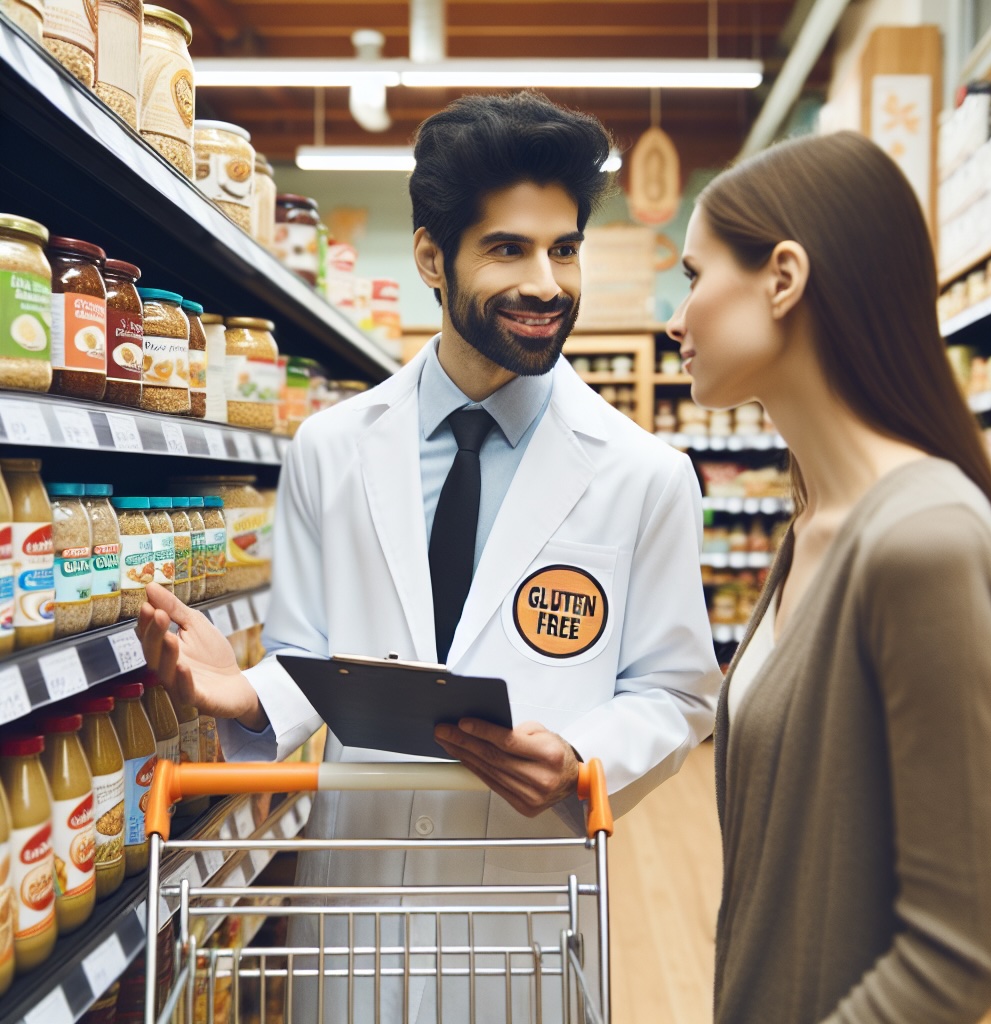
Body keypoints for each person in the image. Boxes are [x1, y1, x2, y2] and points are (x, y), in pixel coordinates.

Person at [139, 91, 720, 1021]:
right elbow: (315, 652)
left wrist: (580, 756)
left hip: (530, 925)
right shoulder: (333, 447)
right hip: (355, 901)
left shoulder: (644, 474)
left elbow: (679, 693)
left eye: (564, 248)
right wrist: (250, 692)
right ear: (429, 259)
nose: (547, 283)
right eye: (507, 249)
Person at [666, 128, 991, 1024]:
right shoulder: (812, 524)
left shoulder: (925, 539)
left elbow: (954, 957)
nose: (677, 319)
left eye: (693, 276)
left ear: (783, 278)